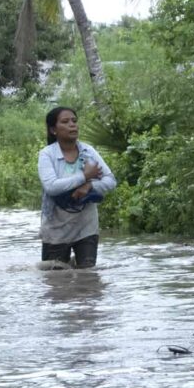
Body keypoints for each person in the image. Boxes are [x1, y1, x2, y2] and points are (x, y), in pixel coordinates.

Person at [37, 106, 117, 268]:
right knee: (56, 280)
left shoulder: (89, 151)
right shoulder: (47, 154)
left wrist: (89, 186)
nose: (72, 125)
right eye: (65, 122)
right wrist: (85, 176)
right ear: (53, 130)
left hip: (86, 225)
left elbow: (110, 181)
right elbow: (51, 186)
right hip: (56, 227)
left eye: (74, 121)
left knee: (88, 277)